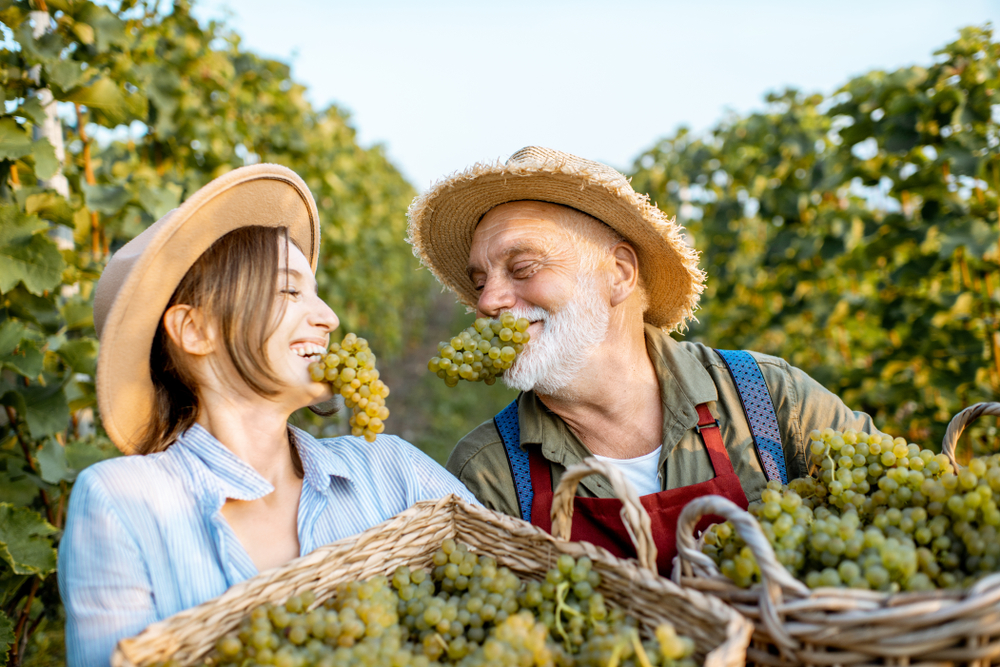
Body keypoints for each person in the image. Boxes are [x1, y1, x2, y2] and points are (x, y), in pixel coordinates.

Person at [59, 164, 476, 667]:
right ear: (195, 330)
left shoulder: (392, 470)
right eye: (289, 291)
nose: (329, 318)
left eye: (316, 291)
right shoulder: (120, 503)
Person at [406, 146, 881, 574]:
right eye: (479, 282)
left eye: (523, 268)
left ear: (619, 274)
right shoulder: (489, 472)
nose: (488, 302)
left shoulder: (770, 399)